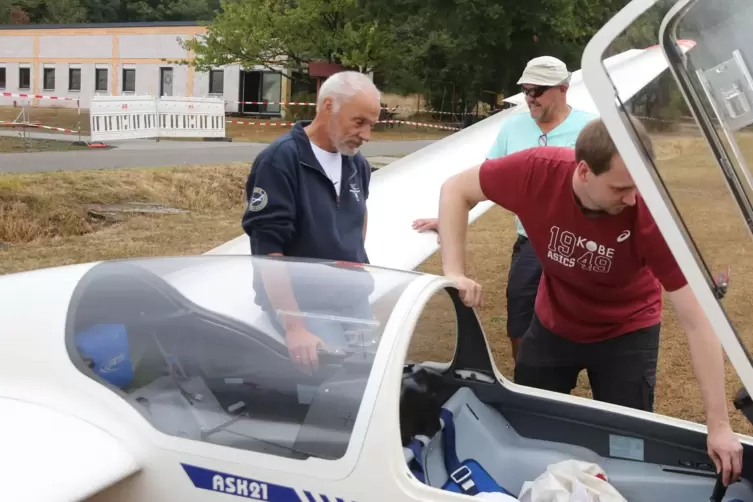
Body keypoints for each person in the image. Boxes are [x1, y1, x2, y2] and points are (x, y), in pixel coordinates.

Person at [436, 116, 743, 486]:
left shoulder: (650, 215)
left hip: (627, 331)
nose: (632, 197)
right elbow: (456, 189)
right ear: (583, 171)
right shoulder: (535, 172)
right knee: (526, 423)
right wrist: (454, 271)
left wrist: (720, 425)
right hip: (554, 322)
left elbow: (698, 320)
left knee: (628, 444)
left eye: (638, 186)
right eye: (620, 188)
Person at [412, 56, 596, 360]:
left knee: (576, 321)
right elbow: (485, 181)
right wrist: (449, 217)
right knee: (520, 313)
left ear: (563, 88)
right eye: (526, 90)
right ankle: (525, 378)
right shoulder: (512, 129)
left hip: (575, 243)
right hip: (531, 243)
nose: (530, 98)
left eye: (538, 90)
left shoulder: (591, 129)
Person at [241, 70, 381, 373]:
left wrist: (354, 261)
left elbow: (360, 213)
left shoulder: (356, 162)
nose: (367, 135)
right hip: (306, 304)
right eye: (359, 122)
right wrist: (295, 327)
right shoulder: (280, 161)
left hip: (351, 298)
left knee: (375, 372)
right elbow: (268, 249)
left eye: (372, 125)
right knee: (339, 379)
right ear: (328, 106)